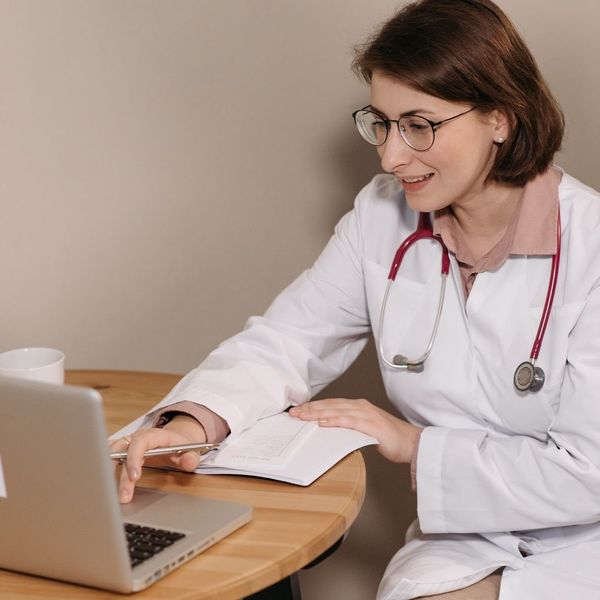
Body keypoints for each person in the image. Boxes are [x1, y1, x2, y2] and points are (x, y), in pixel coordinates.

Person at [110, 0, 600, 598]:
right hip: (465, 540)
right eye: (382, 123)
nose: (392, 156)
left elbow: (589, 474)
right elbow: (289, 340)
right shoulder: (381, 215)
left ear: (500, 117)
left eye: (419, 125)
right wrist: (193, 421)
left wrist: (413, 443)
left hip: (586, 542)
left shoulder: (590, 246)